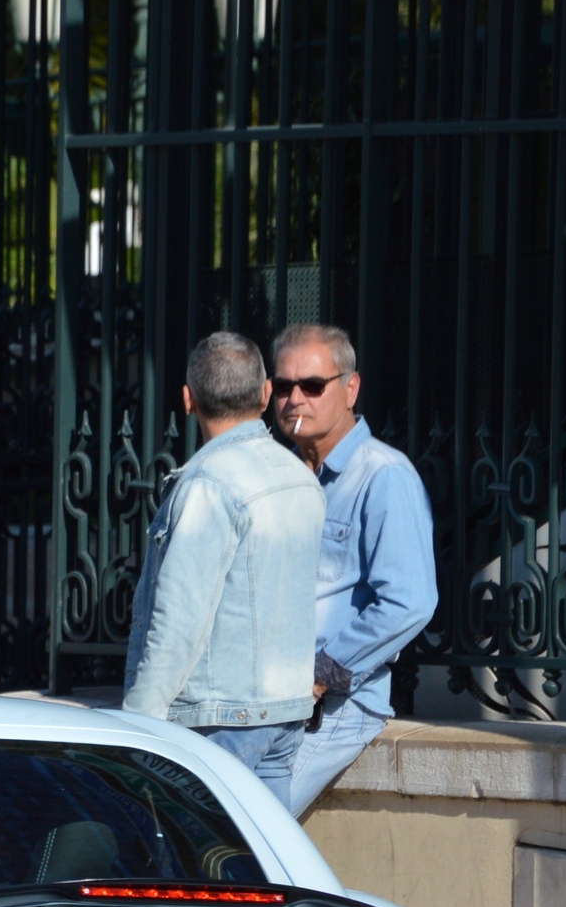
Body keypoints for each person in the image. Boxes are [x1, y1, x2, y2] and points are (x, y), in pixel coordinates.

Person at [120, 332, 324, 794]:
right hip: (284, 710)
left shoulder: (208, 484)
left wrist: (136, 726)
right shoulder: (300, 476)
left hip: (219, 717)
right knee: (254, 862)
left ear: (188, 400)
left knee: (192, 860)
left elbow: (179, 621)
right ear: (267, 392)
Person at [268, 323, 438, 814]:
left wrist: (320, 676)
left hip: (333, 709)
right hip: (265, 701)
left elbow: (410, 601)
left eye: (312, 386)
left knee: (241, 837)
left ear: (350, 388)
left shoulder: (382, 475)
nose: (295, 399)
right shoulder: (280, 477)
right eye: (283, 387)